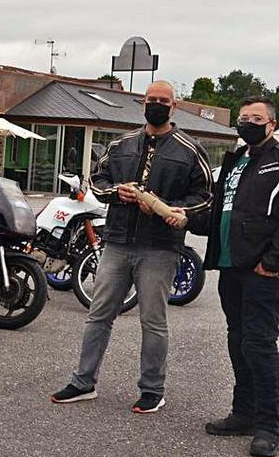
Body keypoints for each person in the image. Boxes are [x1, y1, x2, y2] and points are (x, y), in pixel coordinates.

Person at [50, 80, 212, 413]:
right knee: (99, 315)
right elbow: (97, 179)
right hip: (118, 241)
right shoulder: (121, 143)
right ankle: (83, 382)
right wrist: (115, 193)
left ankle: (153, 389)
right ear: (143, 103)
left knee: (153, 321)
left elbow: (206, 196)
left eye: (163, 100)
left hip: (161, 247)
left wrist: (174, 209)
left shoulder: (189, 148)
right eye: (151, 99)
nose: (156, 104)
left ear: (174, 106)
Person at [199, 96, 279, 457]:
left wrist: (274, 261)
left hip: (262, 270)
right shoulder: (234, 161)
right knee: (237, 341)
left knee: (259, 345)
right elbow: (221, 211)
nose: (248, 122)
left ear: (272, 125)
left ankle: (269, 425)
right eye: (244, 117)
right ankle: (243, 412)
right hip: (230, 265)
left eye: (256, 118)